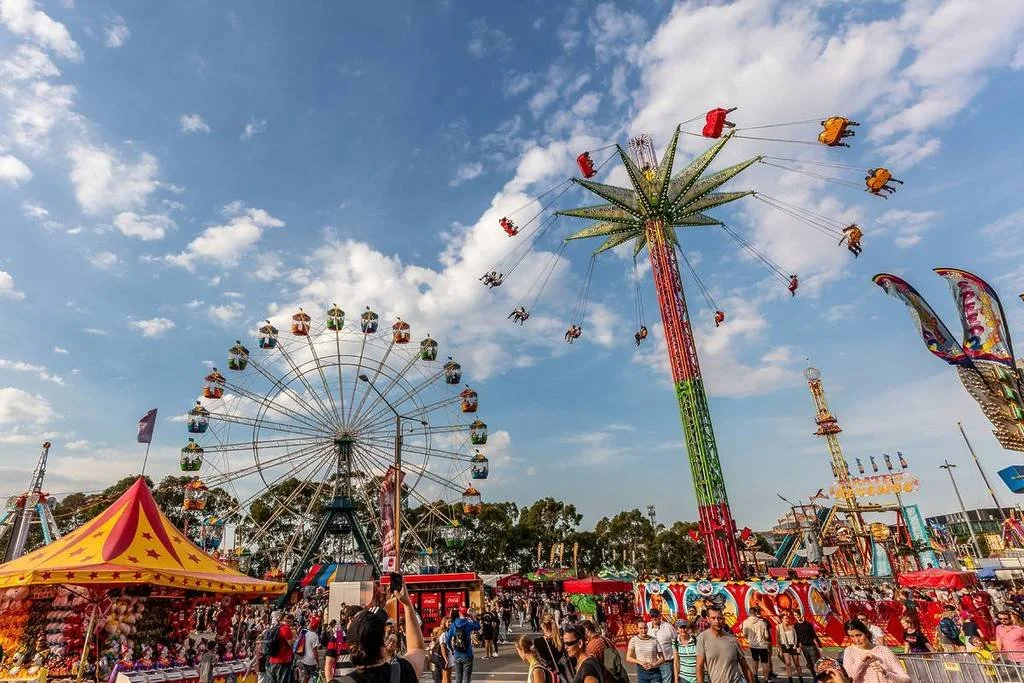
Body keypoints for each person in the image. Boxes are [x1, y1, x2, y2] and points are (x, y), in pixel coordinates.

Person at [343, 584, 426, 683]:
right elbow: (417, 648)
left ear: (351, 645)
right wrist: (407, 604)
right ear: (382, 641)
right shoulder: (402, 672)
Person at [696, 606, 754, 683]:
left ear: (723, 619)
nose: (717, 621)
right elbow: (700, 666)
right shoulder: (702, 638)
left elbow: (745, 667)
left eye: (719, 618)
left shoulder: (732, 639)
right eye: (713, 618)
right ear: (708, 619)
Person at [840, 619, 909, 683]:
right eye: (851, 636)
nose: (856, 640)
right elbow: (850, 678)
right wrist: (862, 661)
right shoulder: (850, 651)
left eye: (859, 635)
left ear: (866, 633)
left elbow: (906, 679)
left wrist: (886, 673)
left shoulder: (884, 651)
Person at [627, 616, 664, 683]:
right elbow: (628, 658)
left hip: (655, 672)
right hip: (642, 672)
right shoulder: (633, 640)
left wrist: (653, 665)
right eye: (641, 628)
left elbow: (662, 658)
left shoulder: (654, 640)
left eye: (645, 628)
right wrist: (640, 662)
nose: (643, 630)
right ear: (637, 629)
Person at [448, 607, 481, 683]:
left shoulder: (453, 624)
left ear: (459, 612)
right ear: (466, 613)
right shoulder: (468, 624)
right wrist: (472, 618)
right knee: (466, 678)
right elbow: (478, 626)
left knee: (458, 677)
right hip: (467, 654)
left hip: (457, 654)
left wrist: (452, 650)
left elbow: (448, 639)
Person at [740, 606, 770, 681]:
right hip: (762, 645)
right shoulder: (762, 623)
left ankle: (755, 677)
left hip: (752, 645)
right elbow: (766, 636)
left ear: (749, 613)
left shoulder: (745, 622)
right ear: (756, 613)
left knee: (755, 660)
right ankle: (766, 679)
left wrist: (750, 638)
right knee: (765, 662)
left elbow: (744, 634)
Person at [267, 612, 297, 683]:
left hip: (272, 660)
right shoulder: (286, 628)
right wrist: (294, 635)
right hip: (283, 661)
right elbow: (291, 643)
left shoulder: (274, 628)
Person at [648, 609, 676, 683]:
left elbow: (675, 642)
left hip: (666, 662)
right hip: (653, 662)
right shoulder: (647, 626)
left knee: (667, 681)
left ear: (660, 616)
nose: (654, 618)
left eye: (655, 616)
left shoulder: (668, 627)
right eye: (652, 616)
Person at [777, 614, 801, 682]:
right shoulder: (779, 627)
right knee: (788, 663)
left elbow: (797, 637)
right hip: (785, 646)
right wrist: (779, 649)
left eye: (788, 618)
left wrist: (798, 647)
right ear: (782, 619)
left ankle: (801, 679)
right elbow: (778, 639)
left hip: (793, 646)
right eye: (785, 618)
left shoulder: (792, 626)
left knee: (797, 664)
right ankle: (790, 679)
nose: (787, 620)